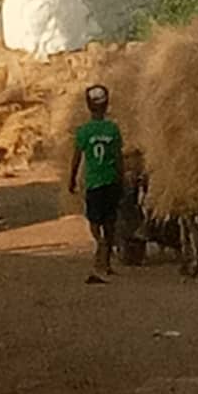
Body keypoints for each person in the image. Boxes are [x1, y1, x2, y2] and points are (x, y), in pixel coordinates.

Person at [69, 84, 124, 284]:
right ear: (106, 105)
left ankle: (99, 245)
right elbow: (118, 157)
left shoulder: (84, 131)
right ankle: (106, 262)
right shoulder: (113, 129)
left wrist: (72, 179)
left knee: (94, 221)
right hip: (111, 180)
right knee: (110, 222)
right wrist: (121, 178)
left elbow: (77, 157)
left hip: (94, 183)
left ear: (88, 106)